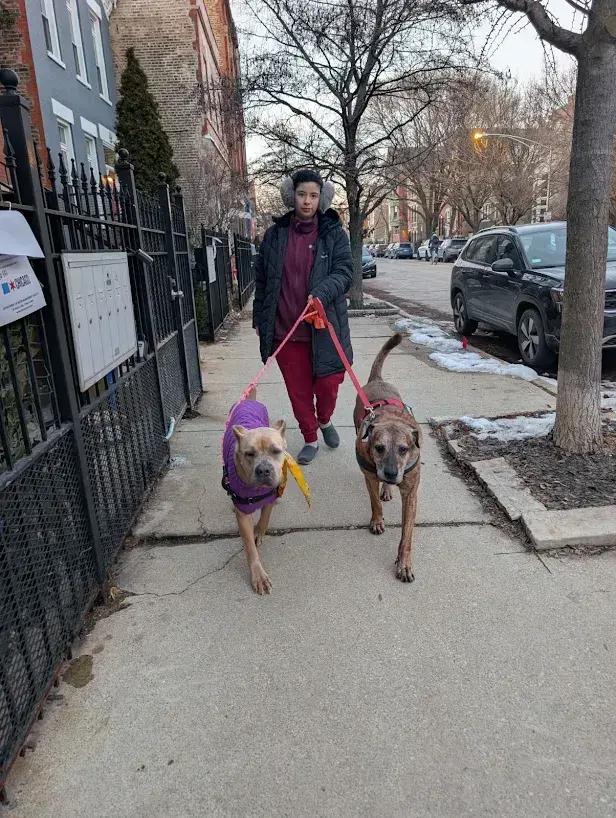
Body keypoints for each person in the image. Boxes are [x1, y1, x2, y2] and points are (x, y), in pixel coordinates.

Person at [253, 169, 353, 465]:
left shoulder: (334, 232)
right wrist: (260, 319)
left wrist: (321, 292)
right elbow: (262, 280)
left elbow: (345, 272)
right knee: (298, 393)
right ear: (291, 195)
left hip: (325, 327)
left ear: (321, 197)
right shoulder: (274, 235)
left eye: (313, 195)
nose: (307, 202)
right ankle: (310, 437)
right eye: (301, 195)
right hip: (286, 330)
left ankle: (324, 419)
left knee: (329, 385)